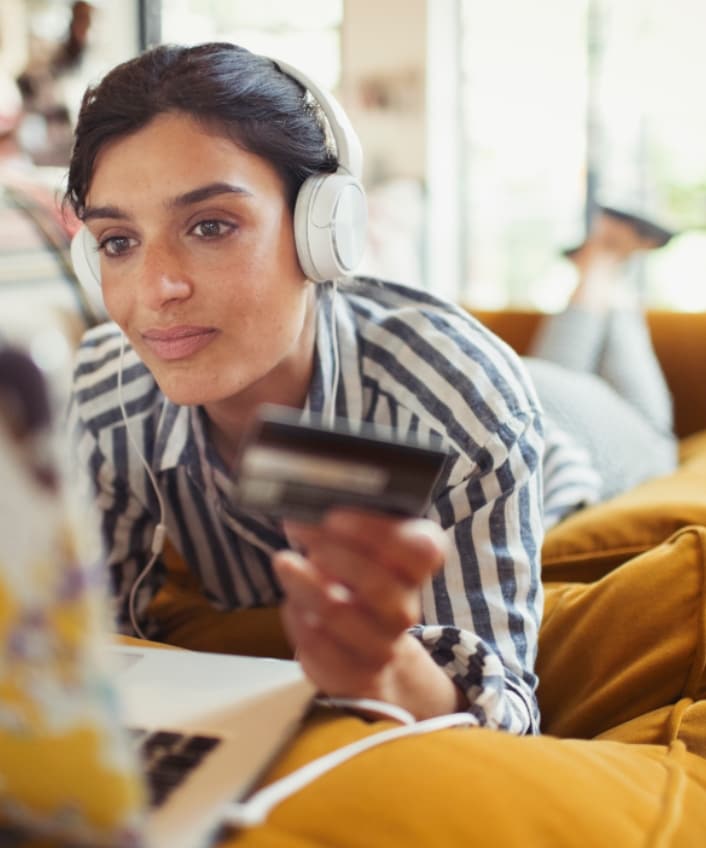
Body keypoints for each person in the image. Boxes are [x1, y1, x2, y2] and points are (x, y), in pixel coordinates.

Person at [64, 42, 553, 729]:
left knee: (595, 351)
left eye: (210, 226)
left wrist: (396, 674)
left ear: (323, 229)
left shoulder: (462, 409)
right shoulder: (105, 394)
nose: (155, 291)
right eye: (118, 241)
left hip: (574, 442)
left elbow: (509, 722)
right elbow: (82, 647)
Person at [524, 205, 678, 525]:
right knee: (602, 335)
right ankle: (604, 261)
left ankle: (602, 260)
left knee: (558, 369)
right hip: (631, 445)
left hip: (543, 405)